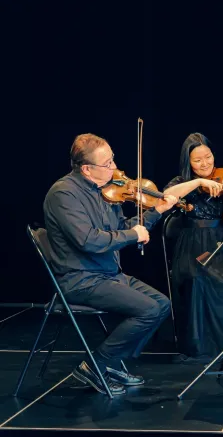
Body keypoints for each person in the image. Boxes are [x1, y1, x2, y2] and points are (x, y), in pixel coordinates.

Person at [43, 133, 178, 396]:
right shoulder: (63, 194)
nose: (114, 167)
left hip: (107, 273)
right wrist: (133, 235)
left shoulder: (103, 192)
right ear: (86, 169)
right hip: (80, 279)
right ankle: (96, 365)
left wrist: (155, 212)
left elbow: (121, 229)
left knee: (162, 304)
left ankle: (110, 363)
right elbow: (88, 241)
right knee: (148, 310)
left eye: (112, 159)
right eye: (107, 164)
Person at [163, 133, 223, 363]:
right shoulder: (180, 183)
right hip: (192, 243)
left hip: (219, 240)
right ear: (188, 163)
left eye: (208, 157)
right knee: (199, 280)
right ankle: (202, 345)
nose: (205, 163)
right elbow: (165, 197)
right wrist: (198, 182)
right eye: (198, 160)